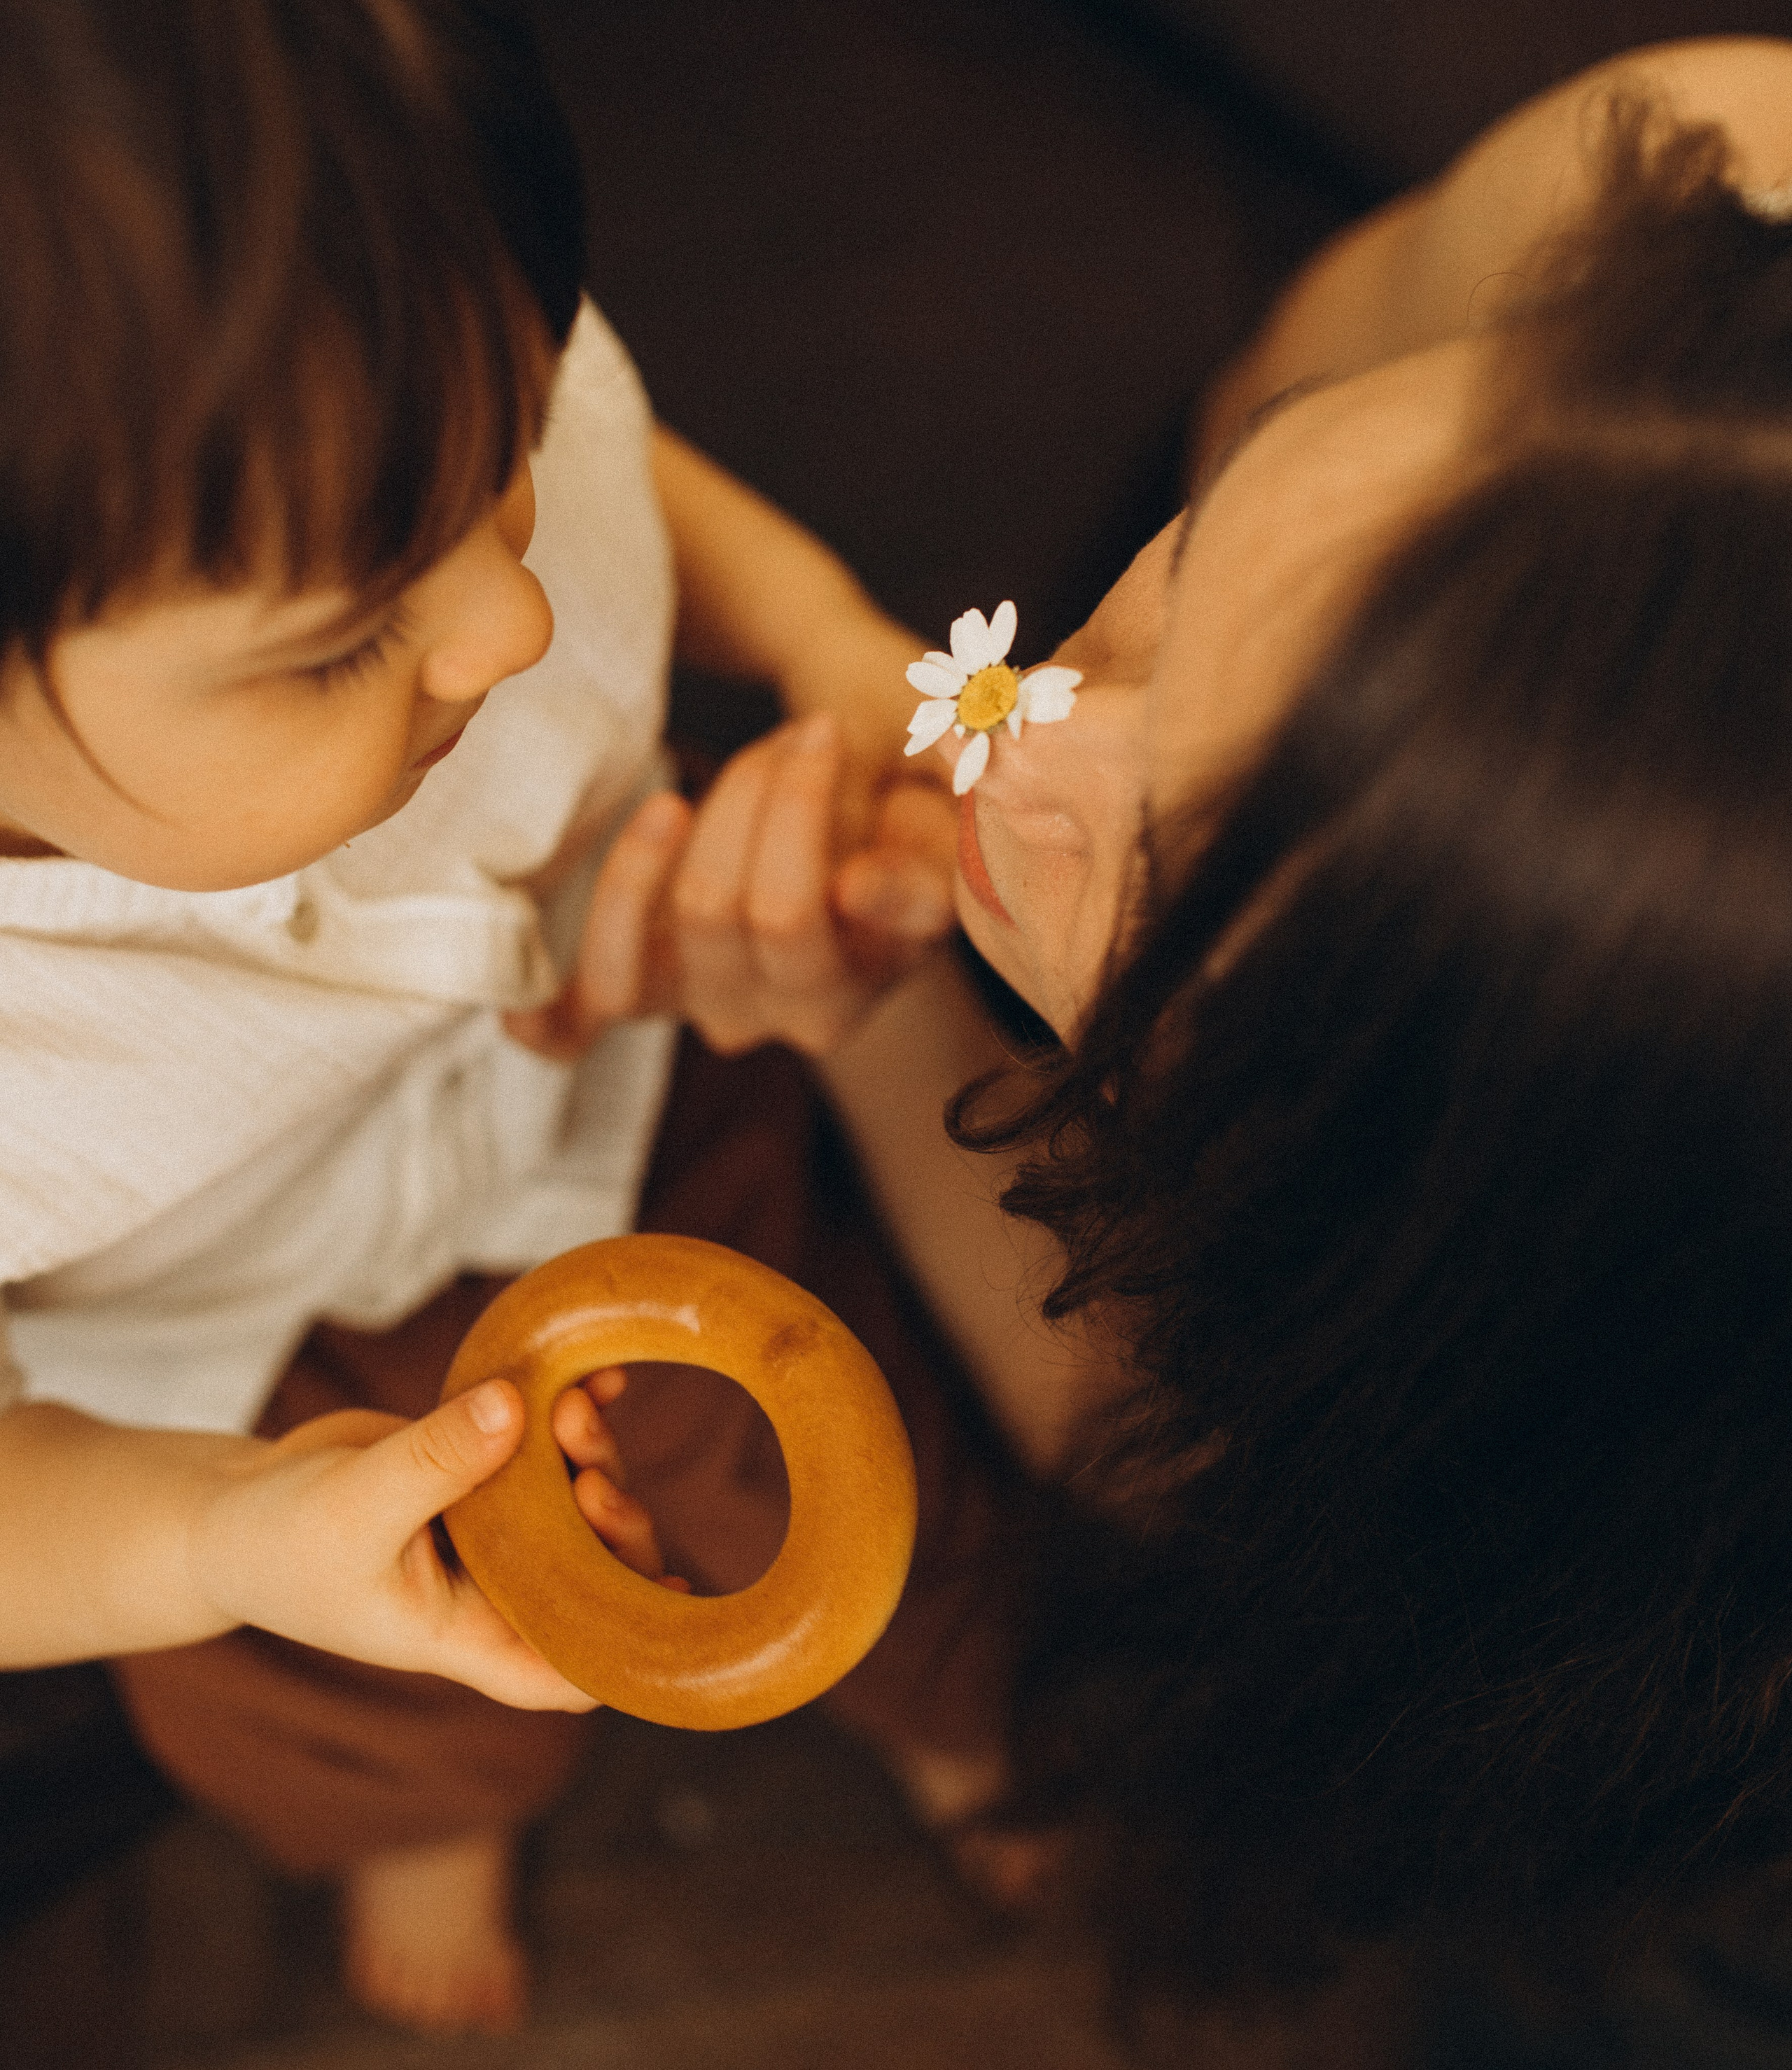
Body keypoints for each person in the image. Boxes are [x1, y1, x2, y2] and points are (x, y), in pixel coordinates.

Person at [579, 33, 1792, 2055]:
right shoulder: (1696, 184)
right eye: (1198, 559)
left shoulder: (1620, 1531)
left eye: (1174, 917)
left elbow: (1248, 1468)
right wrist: (878, 1014)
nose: (1009, 724)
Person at [0, 0, 988, 2036]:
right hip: (232, 1364)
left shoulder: (382, 393)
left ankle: (955, 1700)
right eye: (351, 630)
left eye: (513, 451)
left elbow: (636, 472)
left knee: (835, 1424)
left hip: (617, 1070)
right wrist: (224, 1529)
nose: (510, 625)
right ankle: (418, 1806)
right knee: (362, 1679)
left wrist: (815, 632)